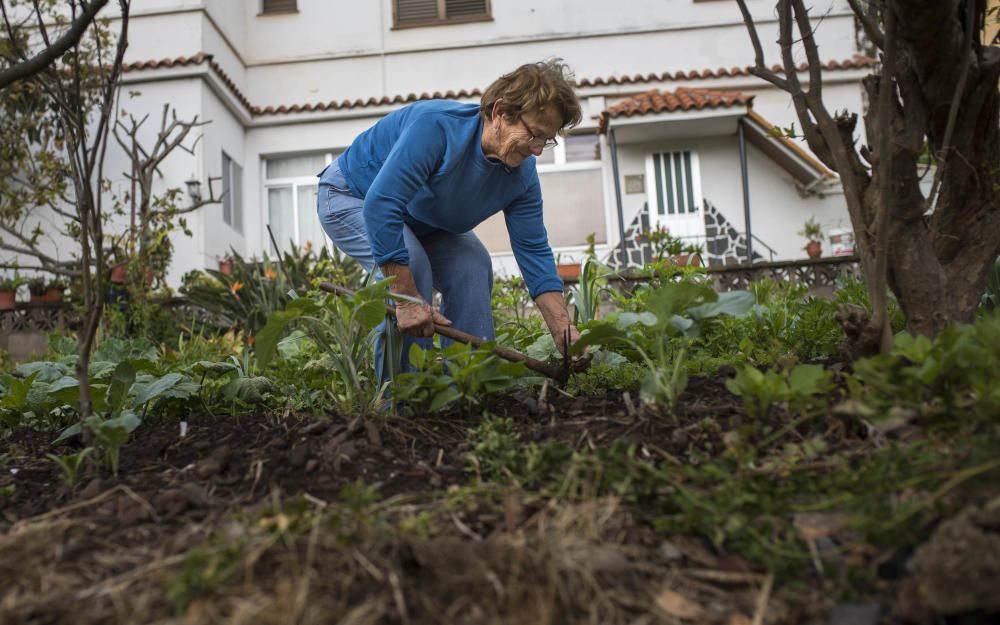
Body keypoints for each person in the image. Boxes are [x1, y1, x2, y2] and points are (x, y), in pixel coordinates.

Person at [316, 59, 582, 376]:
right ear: (500, 113)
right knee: (411, 264)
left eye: (546, 140)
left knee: (473, 266)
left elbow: (534, 250)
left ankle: (469, 387)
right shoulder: (437, 127)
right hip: (351, 195)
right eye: (534, 134)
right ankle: (404, 399)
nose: (537, 149)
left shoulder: (521, 175)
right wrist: (406, 300)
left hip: (420, 217)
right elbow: (382, 204)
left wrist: (564, 332)